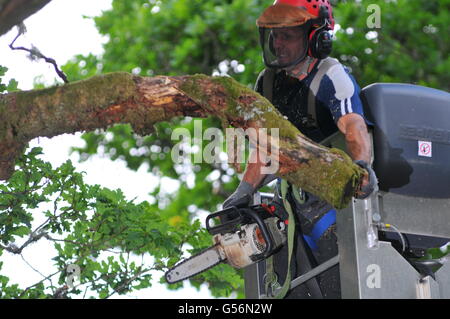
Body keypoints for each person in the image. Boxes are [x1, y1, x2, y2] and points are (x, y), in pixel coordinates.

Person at [223, 0, 378, 298]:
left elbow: (354, 126)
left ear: (316, 39)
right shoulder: (267, 83)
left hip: (334, 197)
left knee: (339, 279)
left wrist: (361, 167)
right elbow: (264, 147)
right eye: (275, 36)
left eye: (287, 36)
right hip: (295, 197)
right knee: (282, 271)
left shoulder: (331, 75)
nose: (278, 44)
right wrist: (243, 192)